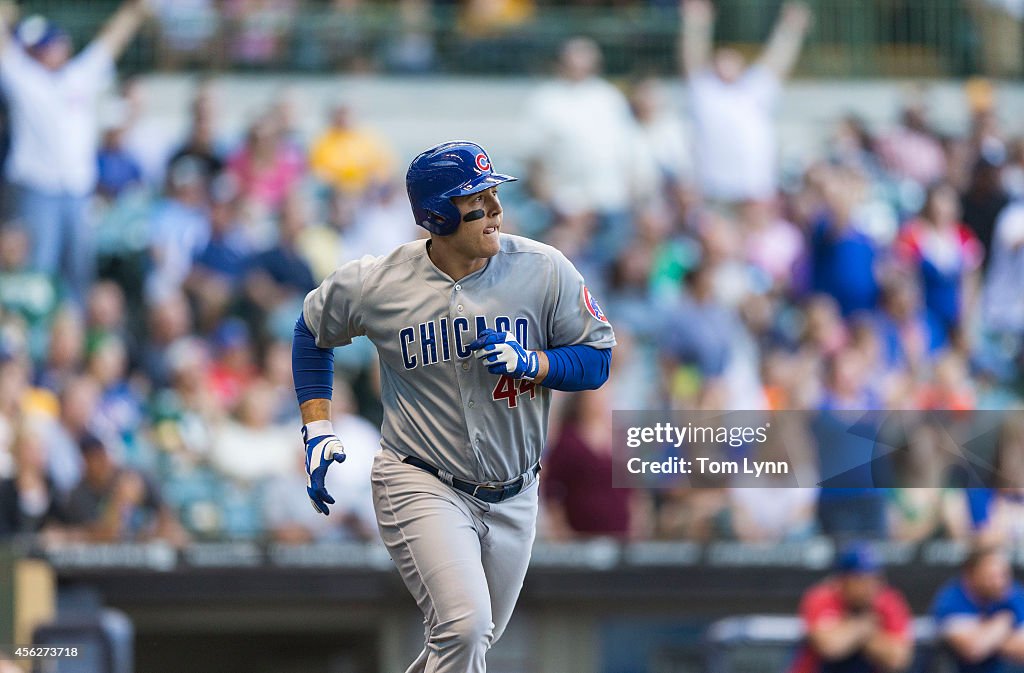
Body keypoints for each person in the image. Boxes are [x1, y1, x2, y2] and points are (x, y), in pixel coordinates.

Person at [292, 141, 615, 672]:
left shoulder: (543, 268)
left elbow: (597, 359)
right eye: (477, 198)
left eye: (493, 193)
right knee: (465, 627)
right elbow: (311, 329)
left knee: (464, 644)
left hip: (517, 490)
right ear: (438, 214)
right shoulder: (378, 282)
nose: (494, 209)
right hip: (421, 477)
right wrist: (317, 426)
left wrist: (534, 362)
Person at [0, 0, 150, 303]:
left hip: (78, 192)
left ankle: (73, 342)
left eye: (48, 45)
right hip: (37, 191)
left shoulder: (80, 75)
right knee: (38, 274)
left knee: (78, 275)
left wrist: (134, 10)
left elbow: (111, 41)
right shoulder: (26, 78)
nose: (44, 52)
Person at [679, 0, 810, 205]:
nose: (726, 63)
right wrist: (695, 22)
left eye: (732, 59)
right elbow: (692, 54)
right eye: (721, 59)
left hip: (755, 191)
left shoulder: (755, 89)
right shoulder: (705, 91)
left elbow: (778, 57)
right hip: (715, 189)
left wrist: (791, 29)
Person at [789, 543, 914, 673]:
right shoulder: (822, 597)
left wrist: (851, 633)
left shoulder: (889, 600)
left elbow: (898, 659)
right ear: (843, 581)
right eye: (861, 580)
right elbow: (829, 646)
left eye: (874, 579)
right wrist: (863, 626)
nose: (869, 587)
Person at [933, 544, 1024, 673]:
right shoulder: (951, 599)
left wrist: (985, 635)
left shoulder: (1014, 593)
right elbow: (973, 649)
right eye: (991, 576)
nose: (999, 582)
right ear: (970, 574)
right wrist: (1005, 621)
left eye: (1003, 575)